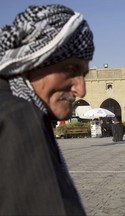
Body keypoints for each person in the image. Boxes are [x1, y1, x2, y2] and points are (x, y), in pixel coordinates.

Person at [0, 4, 94, 215]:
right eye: (70, 69)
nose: (81, 89)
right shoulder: (17, 117)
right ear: (31, 61)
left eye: (83, 75)